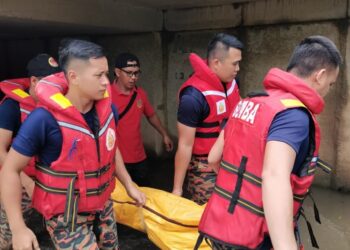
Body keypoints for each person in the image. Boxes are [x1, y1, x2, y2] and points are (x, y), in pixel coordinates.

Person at [195, 35, 341, 250]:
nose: (327, 91)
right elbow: (274, 177)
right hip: (255, 238)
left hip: (223, 228)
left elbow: (214, 158)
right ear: (319, 76)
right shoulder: (294, 115)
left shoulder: (250, 101)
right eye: (330, 84)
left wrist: (241, 191)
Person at [0, 39, 146, 250]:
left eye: (106, 74)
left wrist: (129, 184)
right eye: (99, 75)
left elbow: (110, 149)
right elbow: (10, 170)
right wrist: (18, 228)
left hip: (103, 206)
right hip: (66, 216)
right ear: (73, 77)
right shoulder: (43, 120)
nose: (106, 82)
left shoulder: (108, 111)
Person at [172, 33, 243, 205]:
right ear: (217, 63)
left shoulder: (233, 83)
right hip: (204, 167)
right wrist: (177, 189)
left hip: (230, 159)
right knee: (209, 216)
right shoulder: (193, 97)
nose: (238, 68)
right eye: (234, 63)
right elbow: (184, 145)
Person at [0, 54, 61, 249]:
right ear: (34, 81)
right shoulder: (11, 107)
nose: (55, 89)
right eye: (48, 83)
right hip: (19, 180)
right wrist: (26, 182)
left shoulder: (56, 103)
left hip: (49, 180)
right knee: (8, 236)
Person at [111, 53, 173, 186]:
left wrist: (164, 134)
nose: (133, 78)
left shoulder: (140, 94)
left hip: (140, 158)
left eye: (136, 73)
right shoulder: (106, 95)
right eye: (129, 73)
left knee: (144, 193)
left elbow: (151, 115)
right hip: (117, 160)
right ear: (117, 72)